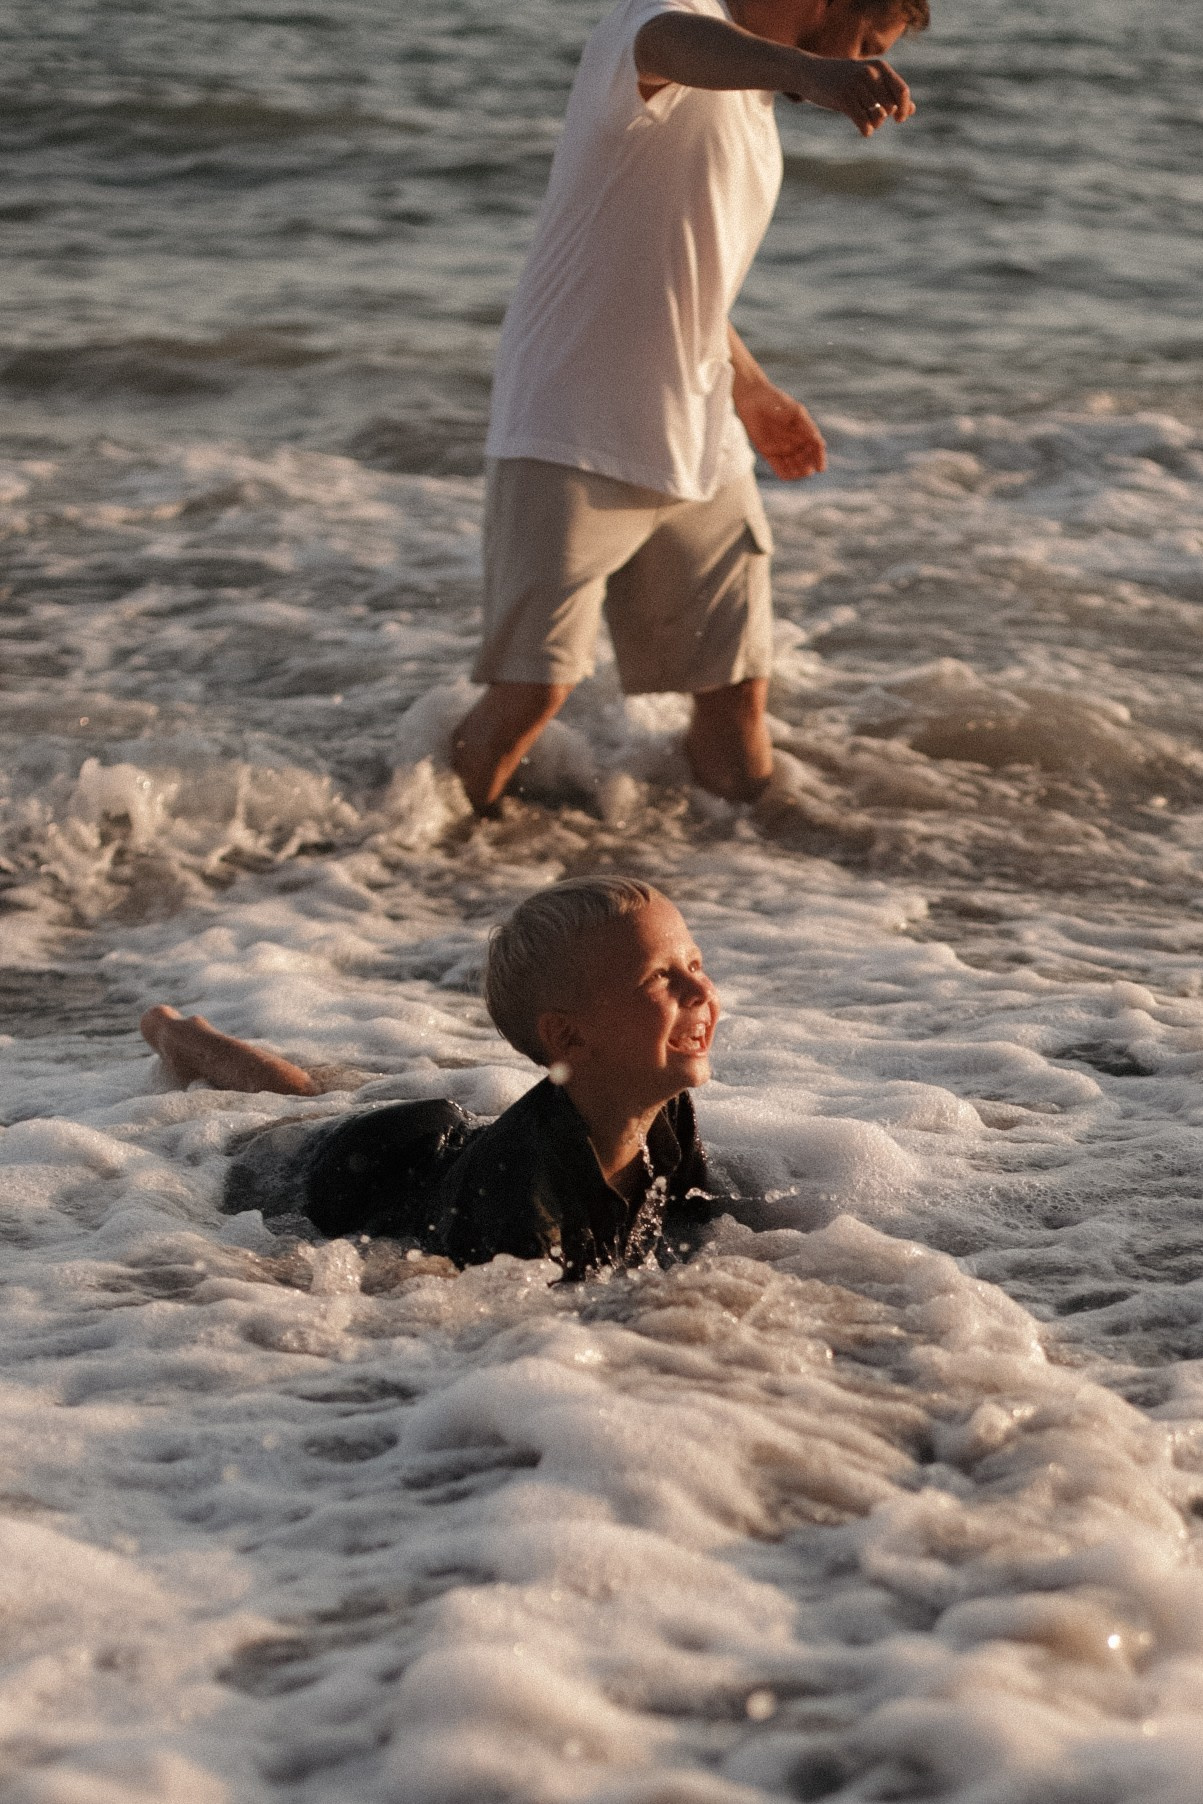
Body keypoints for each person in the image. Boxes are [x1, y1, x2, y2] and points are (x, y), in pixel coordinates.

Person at [451, 0, 927, 815]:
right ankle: (416, 858)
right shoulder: (668, 20)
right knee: (531, 693)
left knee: (735, 690)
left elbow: (680, 272)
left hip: (702, 436)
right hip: (571, 424)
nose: (862, 61)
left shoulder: (754, 102)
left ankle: (760, 874)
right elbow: (665, 41)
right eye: (865, 40)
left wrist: (752, 388)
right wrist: (812, 70)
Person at [141, 877, 721, 1280]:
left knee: (312, 1095)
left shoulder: (664, 1111)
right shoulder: (519, 1199)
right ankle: (177, 1034)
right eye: (659, 977)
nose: (699, 990)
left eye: (694, 964)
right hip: (355, 1173)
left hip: (443, 1147)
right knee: (287, 1110)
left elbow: (697, 1223)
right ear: (567, 1037)